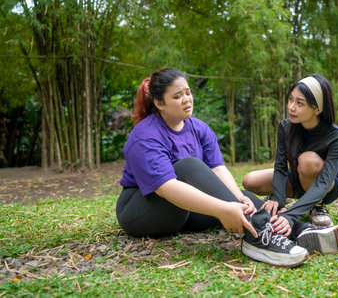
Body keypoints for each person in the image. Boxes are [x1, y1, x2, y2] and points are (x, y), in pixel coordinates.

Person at [116, 68, 310, 267]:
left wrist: (238, 198)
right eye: (177, 96)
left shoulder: (199, 128)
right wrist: (223, 208)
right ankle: (257, 238)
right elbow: (166, 187)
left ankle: (298, 230)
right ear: (159, 103)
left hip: (185, 211)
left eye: (188, 92)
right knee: (189, 166)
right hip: (143, 211)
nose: (186, 99)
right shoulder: (145, 135)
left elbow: (217, 169)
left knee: (244, 198)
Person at [242, 74, 338, 253]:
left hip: (326, 186)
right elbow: (280, 167)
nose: (291, 107)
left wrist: (291, 216)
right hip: (297, 179)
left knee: (308, 161)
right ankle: (283, 200)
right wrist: (279, 201)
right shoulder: (286, 127)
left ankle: (317, 207)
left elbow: (324, 182)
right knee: (250, 180)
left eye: (300, 103)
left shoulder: (337, 137)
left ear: (317, 109)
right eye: (291, 100)